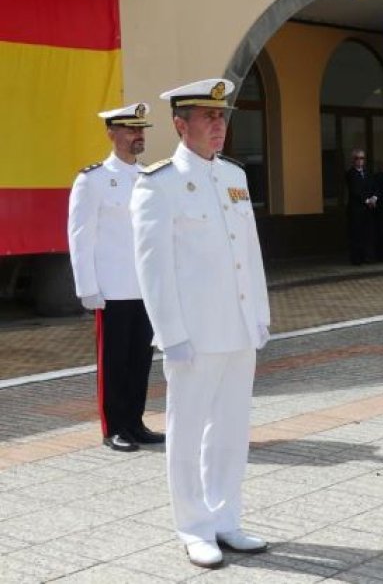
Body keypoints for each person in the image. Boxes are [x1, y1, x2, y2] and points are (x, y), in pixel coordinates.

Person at [131, 78, 271, 569]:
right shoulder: (159, 183)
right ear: (180, 124)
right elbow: (154, 268)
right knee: (188, 431)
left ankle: (225, 517)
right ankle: (193, 526)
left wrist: (259, 314)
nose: (219, 125)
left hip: (235, 328)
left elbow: (248, 252)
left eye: (222, 117)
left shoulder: (234, 176)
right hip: (193, 333)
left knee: (232, 429)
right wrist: (170, 334)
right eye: (208, 117)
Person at [67, 103, 164, 453]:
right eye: (130, 129)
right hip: (112, 288)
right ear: (112, 133)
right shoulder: (91, 179)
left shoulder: (148, 177)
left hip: (145, 287)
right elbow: (80, 236)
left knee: (140, 359)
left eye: (141, 130)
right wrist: (87, 287)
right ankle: (114, 428)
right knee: (114, 361)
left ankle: (135, 423)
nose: (138, 135)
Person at [345, 149, 376, 265]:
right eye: (357, 158)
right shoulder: (350, 173)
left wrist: (374, 198)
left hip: (368, 210)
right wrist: (366, 200)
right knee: (356, 234)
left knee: (367, 234)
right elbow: (355, 190)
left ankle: (366, 257)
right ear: (353, 160)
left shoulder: (368, 173)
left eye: (362, 158)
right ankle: (356, 259)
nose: (360, 161)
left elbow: (373, 187)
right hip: (356, 210)